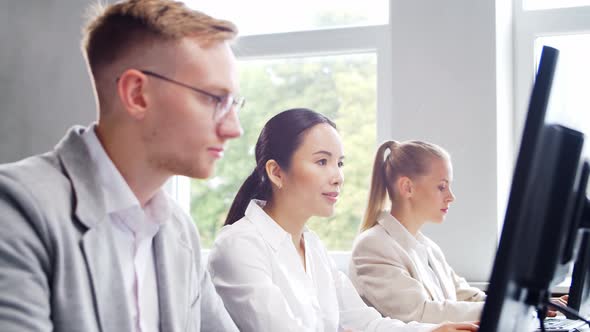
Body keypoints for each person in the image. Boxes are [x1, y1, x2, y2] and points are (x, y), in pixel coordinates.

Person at [0, 1, 242, 331]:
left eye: (233, 103)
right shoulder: (15, 209)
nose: (234, 128)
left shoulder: (178, 231)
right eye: (215, 99)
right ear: (137, 94)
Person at [207, 108, 478, 332]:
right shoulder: (238, 246)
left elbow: (365, 322)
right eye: (322, 162)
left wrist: (433, 331)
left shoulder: (313, 248)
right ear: (277, 172)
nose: (337, 177)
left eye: (340, 163)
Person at [349, 140, 486, 324]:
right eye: (441, 187)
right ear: (407, 187)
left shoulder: (429, 248)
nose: (451, 197)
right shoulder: (372, 246)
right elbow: (420, 313)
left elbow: (465, 295)